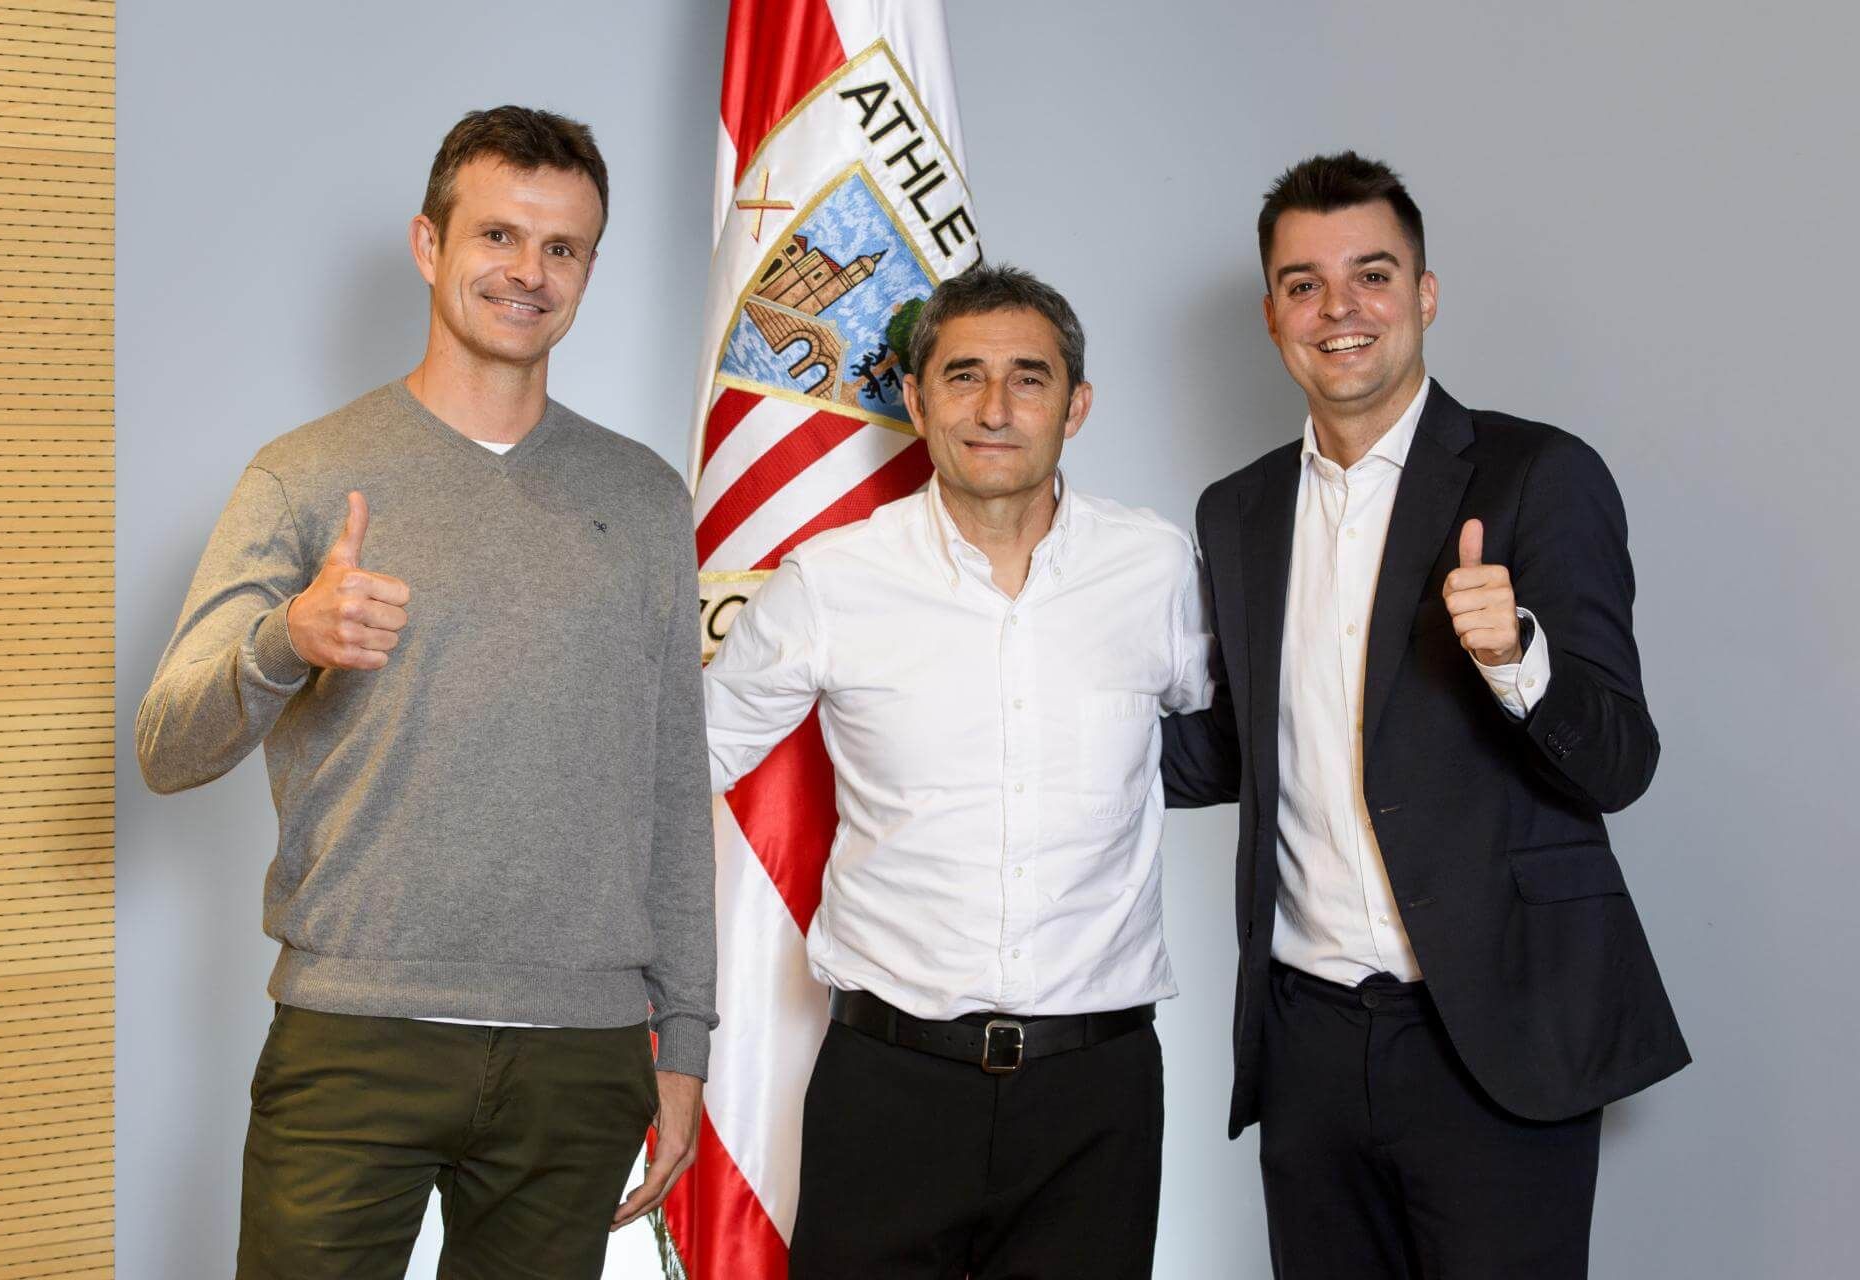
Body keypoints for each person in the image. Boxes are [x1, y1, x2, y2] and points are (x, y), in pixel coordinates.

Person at [135, 106, 715, 1280]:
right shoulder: (303, 474)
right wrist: (287, 638)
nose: (529, 271)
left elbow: (672, 781)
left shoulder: (646, 496)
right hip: (358, 1034)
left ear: (589, 268)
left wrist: (687, 1034)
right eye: (499, 235)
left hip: (580, 1049)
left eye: (563, 247)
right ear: (428, 243)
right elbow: (167, 744)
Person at [1160, 151, 1689, 1278]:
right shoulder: (1237, 510)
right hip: (1306, 1040)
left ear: (1426, 294)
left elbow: (1621, 759)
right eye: (1304, 284)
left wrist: (1516, 657)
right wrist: (1035, 712)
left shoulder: (1539, 474)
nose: (1339, 308)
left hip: (1494, 1030)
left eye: (1372, 274)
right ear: (1272, 317)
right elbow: (1236, 746)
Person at [701, 264, 1211, 1278]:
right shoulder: (833, 581)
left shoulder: (1155, 569)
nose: (994, 408)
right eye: (964, 375)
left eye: (1029, 378)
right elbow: (677, 766)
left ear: (1077, 405)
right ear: (916, 397)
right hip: (889, 1084)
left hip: (1095, 1095)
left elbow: (1255, 742)